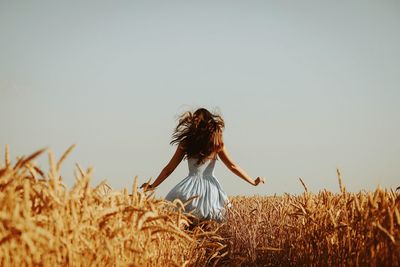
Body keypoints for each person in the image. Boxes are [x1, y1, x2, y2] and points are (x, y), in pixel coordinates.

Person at [140, 108, 264, 222]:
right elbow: (233, 167)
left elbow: (169, 169)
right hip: (211, 192)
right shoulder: (216, 142)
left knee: (186, 228)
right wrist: (253, 182)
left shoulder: (186, 142)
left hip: (188, 191)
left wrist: (152, 185)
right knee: (212, 229)